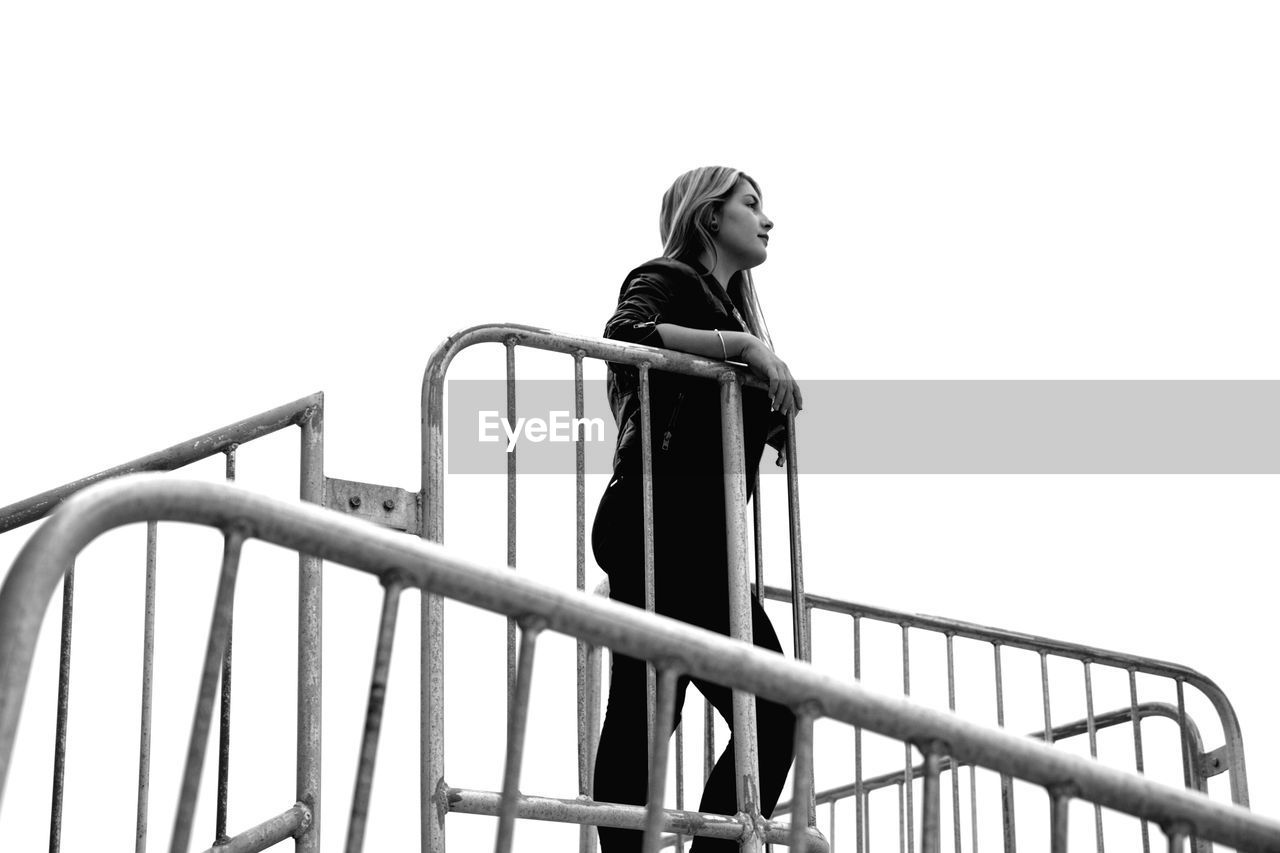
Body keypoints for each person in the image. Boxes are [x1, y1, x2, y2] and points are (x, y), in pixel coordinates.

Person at [591, 166, 804, 852]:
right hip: (655, 524)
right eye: (751, 205)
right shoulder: (669, 277)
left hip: (696, 538)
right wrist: (739, 350)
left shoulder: (729, 306)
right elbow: (628, 334)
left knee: (744, 706)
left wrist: (772, 422)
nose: (766, 219)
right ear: (709, 217)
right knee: (660, 705)